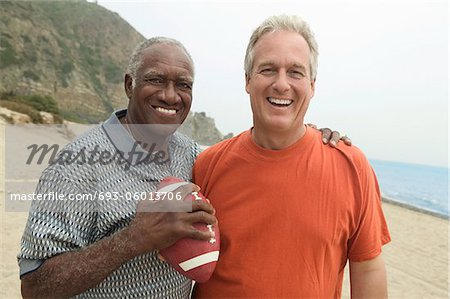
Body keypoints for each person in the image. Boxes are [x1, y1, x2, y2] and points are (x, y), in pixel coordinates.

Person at [18, 37, 346, 298]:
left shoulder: (191, 156)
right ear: (130, 84)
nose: (170, 95)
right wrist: (133, 239)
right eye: (156, 80)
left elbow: (255, 159)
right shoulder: (76, 165)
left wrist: (308, 135)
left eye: (183, 85)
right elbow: (34, 285)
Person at [192, 15, 391, 298]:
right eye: (268, 69)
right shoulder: (207, 165)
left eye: (295, 72)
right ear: (248, 80)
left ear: (312, 85)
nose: (281, 84)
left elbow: (368, 267)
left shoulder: (352, 166)